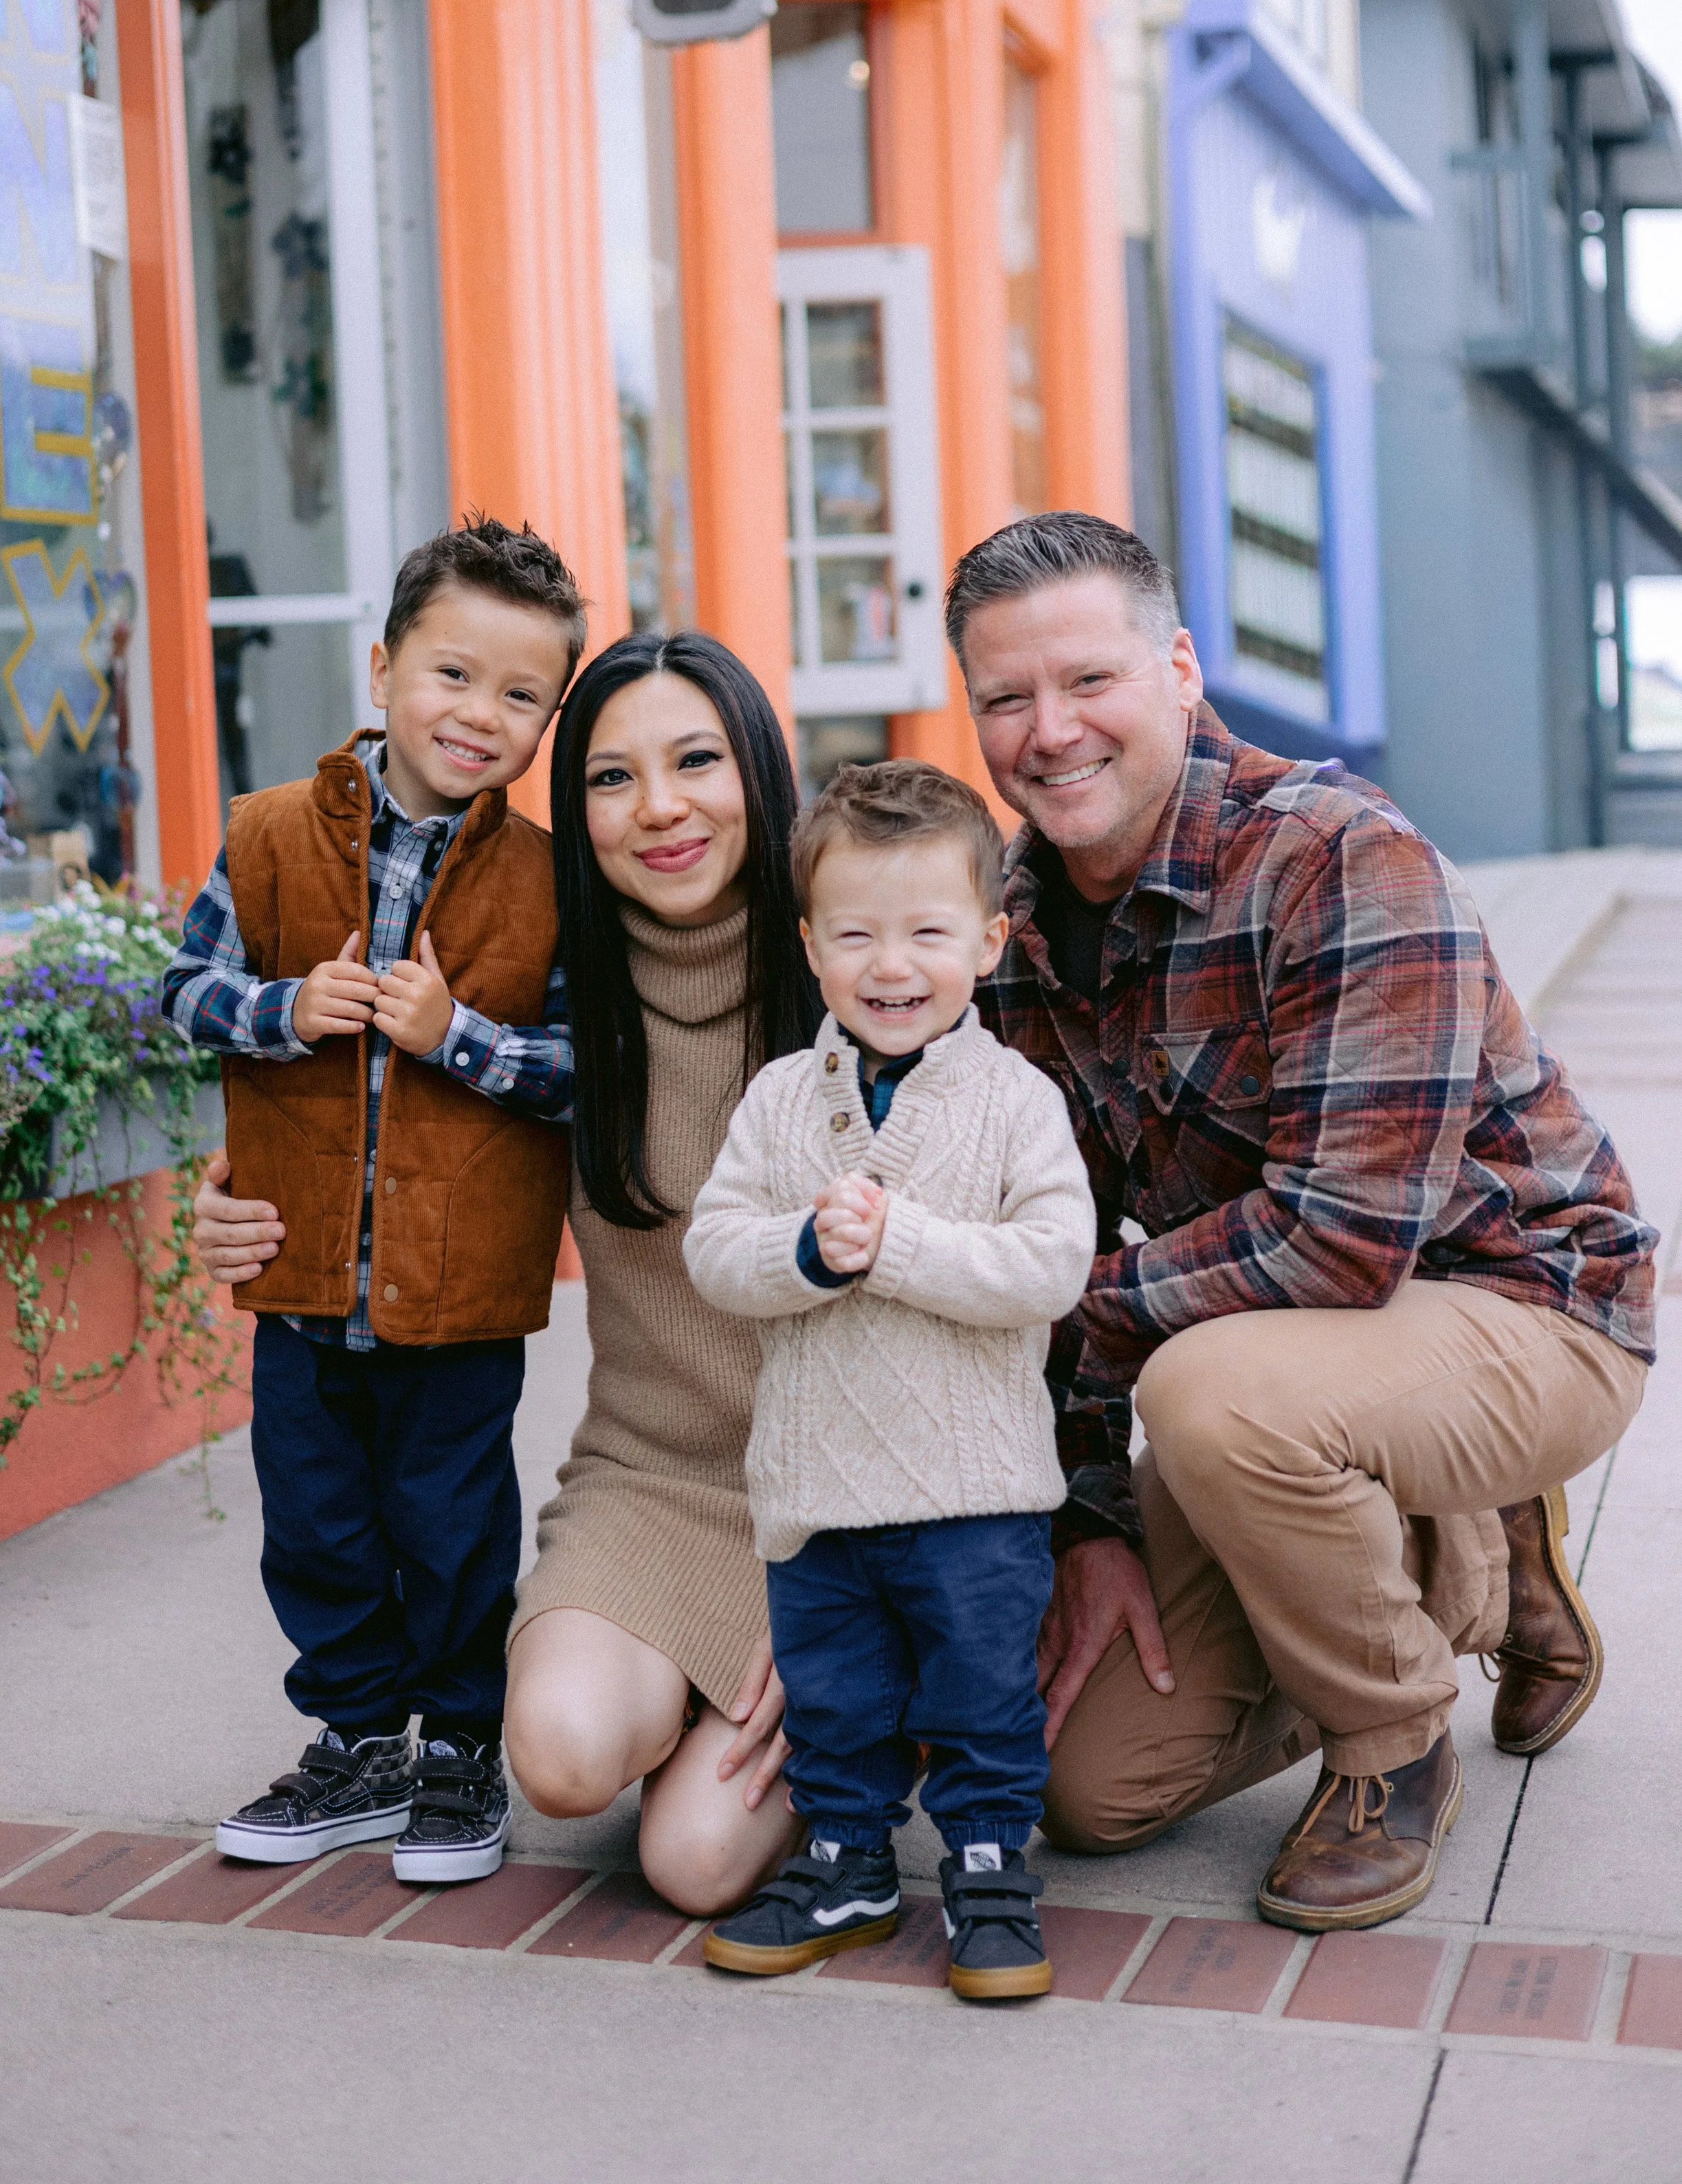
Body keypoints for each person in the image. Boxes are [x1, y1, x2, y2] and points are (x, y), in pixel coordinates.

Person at [947, 510, 1657, 1931]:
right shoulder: (1003, 934)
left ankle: (1391, 1741)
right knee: (1083, 1792)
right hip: (1299, 1361)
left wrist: (1074, 1297)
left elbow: (1336, 1242)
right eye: (1004, 697)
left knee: (1208, 1392)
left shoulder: (1337, 855)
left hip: (1527, 1306)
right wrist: (1086, 1515)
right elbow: (1050, 1229)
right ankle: (1459, 1554)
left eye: (1087, 679)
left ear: (1180, 670)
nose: (1048, 730)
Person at [190, 631, 822, 1916]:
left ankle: (855, 1689)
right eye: (608, 776)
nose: (659, 808)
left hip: (845, 1495)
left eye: (696, 759)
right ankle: (678, 1690)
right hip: (652, 1485)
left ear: (758, 765)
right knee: (564, 1756)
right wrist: (241, 1207)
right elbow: (390, 1135)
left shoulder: (855, 969)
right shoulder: (551, 1001)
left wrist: (851, 1595)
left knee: (694, 1865)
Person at [163, 517, 581, 1887]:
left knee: (453, 1525)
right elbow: (181, 995)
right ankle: (356, 1743)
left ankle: (461, 1750)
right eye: (453, 675)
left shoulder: (547, 882)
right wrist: (284, 1007)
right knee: (320, 1522)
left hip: (461, 1289)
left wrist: (457, 1033)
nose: (482, 716)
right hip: (301, 1278)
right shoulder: (268, 834)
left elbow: (580, 1072)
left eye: (523, 698)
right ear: (383, 667)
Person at [683, 761, 1095, 2000]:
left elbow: (1054, 1263)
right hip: (818, 1489)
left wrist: (901, 1245)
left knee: (980, 1693)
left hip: (974, 1491)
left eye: (927, 931)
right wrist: (807, 1249)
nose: (891, 963)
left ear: (989, 936)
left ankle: (984, 1864)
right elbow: (714, 1247)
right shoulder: (776, 1102)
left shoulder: (1017, 1100)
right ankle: (848, 1856)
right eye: (856, 933)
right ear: (810, 946)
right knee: (837, 1697)